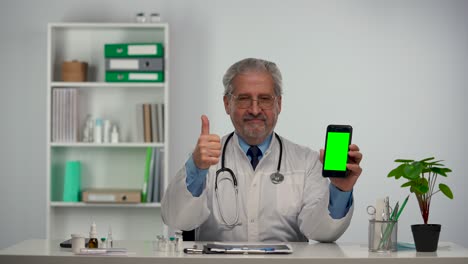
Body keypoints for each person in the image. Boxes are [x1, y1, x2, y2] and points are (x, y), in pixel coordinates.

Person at [161, 58, 363, 242]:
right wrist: (196, 167)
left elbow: (321, 232)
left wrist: (340, 189)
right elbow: (178, 219)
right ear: (227, 103)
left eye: (265, 99)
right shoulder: (204, 160)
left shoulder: (306, 162)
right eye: (243, 99)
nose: (255, 110)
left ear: (279, 104)